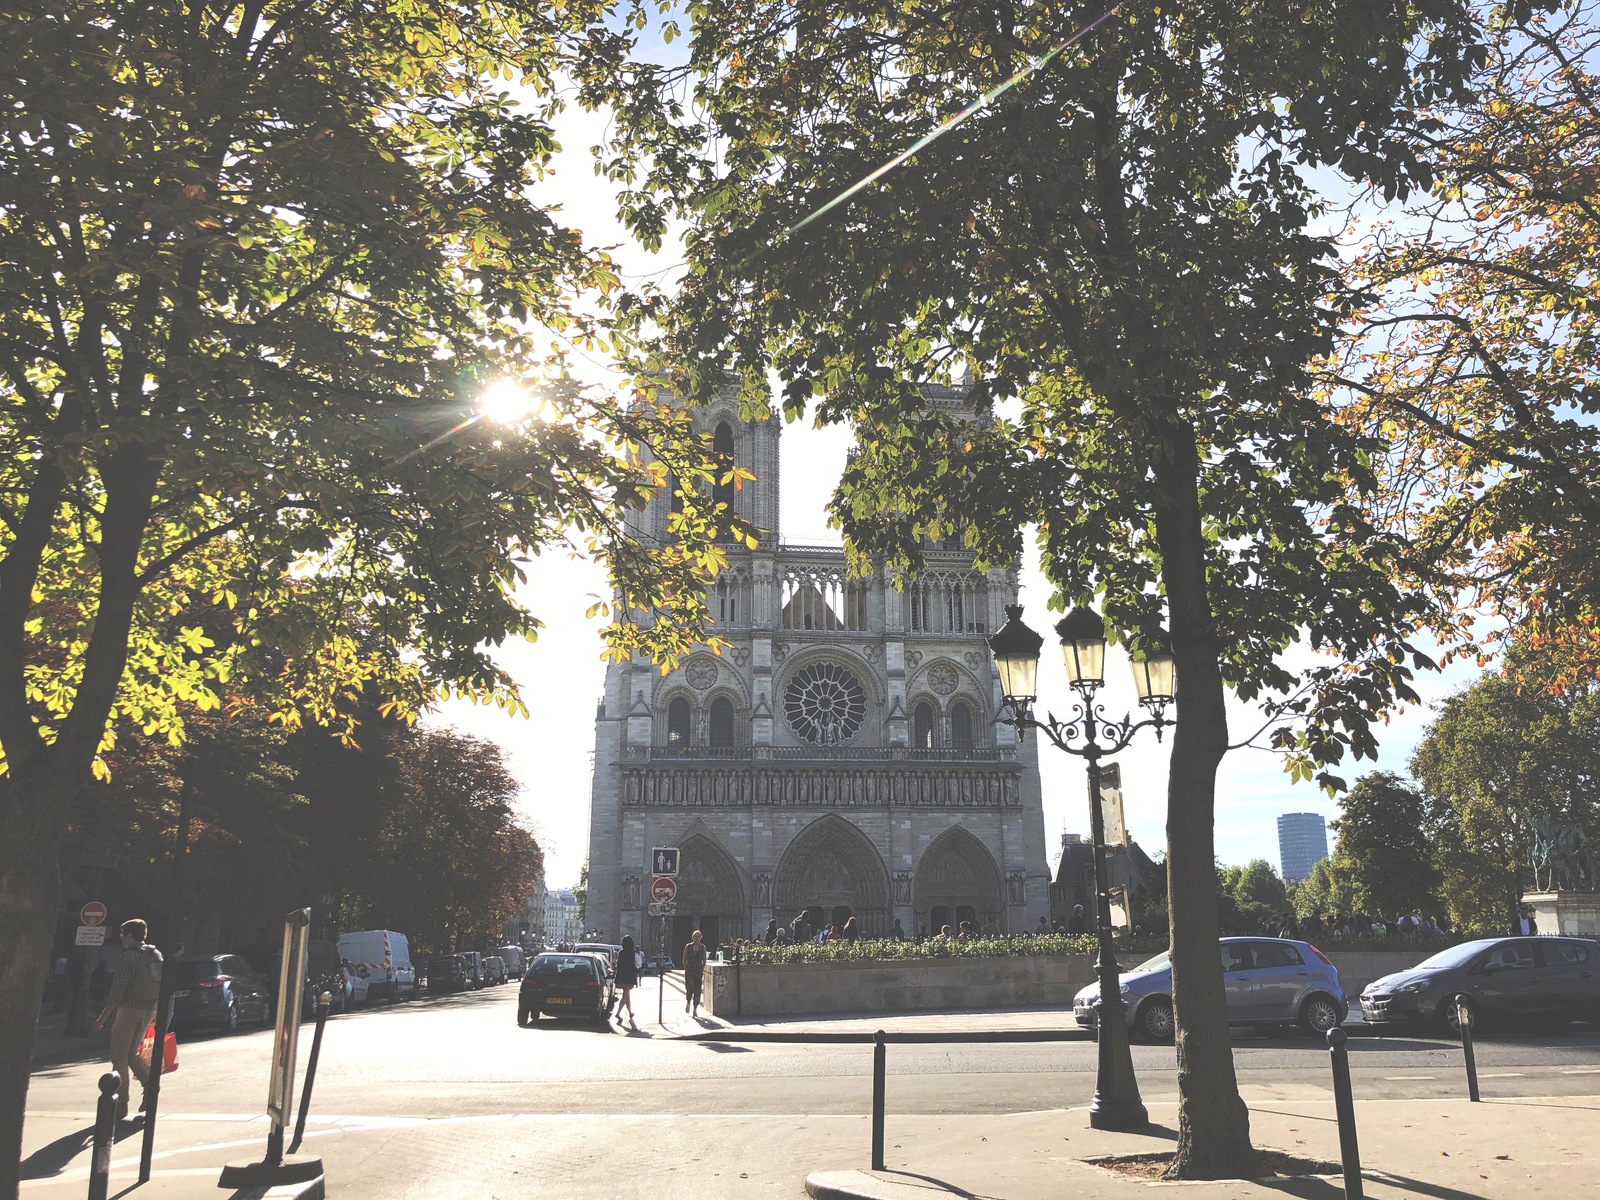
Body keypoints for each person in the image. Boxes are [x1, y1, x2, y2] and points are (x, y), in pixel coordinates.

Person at [95, 919, 164, 1119]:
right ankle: (151, 1086)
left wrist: (102, 1018)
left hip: (129, 1010)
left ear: (131, 936)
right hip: (148, 1009)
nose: (121, 937)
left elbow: (117, 992)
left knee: (119, 1056)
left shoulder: (128, 958)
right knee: (132, 1053)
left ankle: (120, 1104)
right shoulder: (155, 954)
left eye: (123, 933)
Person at [614, 934, 639, 1025]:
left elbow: (619, 964)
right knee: (625, 996)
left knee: (627, 996)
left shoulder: (621, 952)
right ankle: (618, 1013)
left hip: (621, 976)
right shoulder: (632, 953)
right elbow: (634, 964)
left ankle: (630, 1012)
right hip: (629, 976)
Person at [682, 930, 708, 1016]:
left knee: (697, 990)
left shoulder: (703, 947)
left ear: (701, 938)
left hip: (698, 972)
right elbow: (684, 958)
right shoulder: (688, 947)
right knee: (689, 988)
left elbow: (704, 959)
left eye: (698, 936)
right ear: (692, 937)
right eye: (695, 936)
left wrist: (702, 969)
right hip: (689, 971)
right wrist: (686, 969)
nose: (697, 938)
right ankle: (688, 1002)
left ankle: (695, 1008)